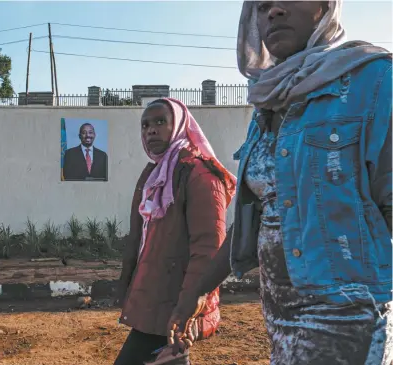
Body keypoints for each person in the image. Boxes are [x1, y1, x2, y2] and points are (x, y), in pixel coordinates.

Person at [168, 1, 392, 365]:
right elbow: (257, 221)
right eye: (262, 6)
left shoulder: (376, 82)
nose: (273, 12)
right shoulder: (269, 104)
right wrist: (195, 290)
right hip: (280, 318)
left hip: (348, 320)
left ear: (326, 7)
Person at [114, 98, 237, 365]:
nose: (151, 130)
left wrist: (188, 306)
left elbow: (209, 249)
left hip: (176, 303)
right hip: (155, 298)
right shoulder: (154, 175)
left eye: (160, 122)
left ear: (180, 125)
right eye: (145, 125)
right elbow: (141, 239)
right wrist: (126, 284)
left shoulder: (201, 174)